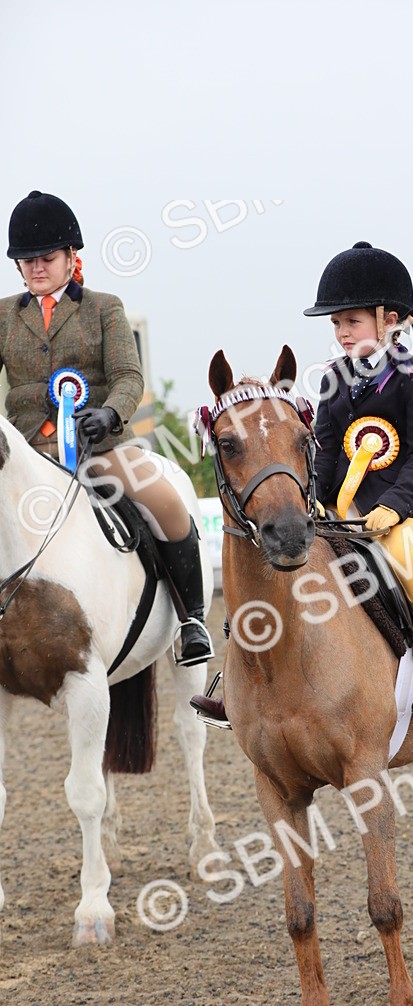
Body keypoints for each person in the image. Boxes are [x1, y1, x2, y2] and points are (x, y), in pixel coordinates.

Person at [0, 190, 212, 664]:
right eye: (26, 260)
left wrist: (111, 413)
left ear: (71, 256)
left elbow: (127, 376)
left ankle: (192, 619)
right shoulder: (3, 316)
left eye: (46, 258)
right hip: (27, 448)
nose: (37, 268)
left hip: (100, 444)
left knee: (167, 504)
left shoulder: (103, 308)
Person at [306, 240, 413, 716]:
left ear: (389, 319)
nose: (340, 332)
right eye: (336, 323)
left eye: (351, 321)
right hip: (341, 510)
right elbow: (324, 451)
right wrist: (315, 497)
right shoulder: (332, 378)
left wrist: (394, 507)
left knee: (403, 557)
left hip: (403, 510)